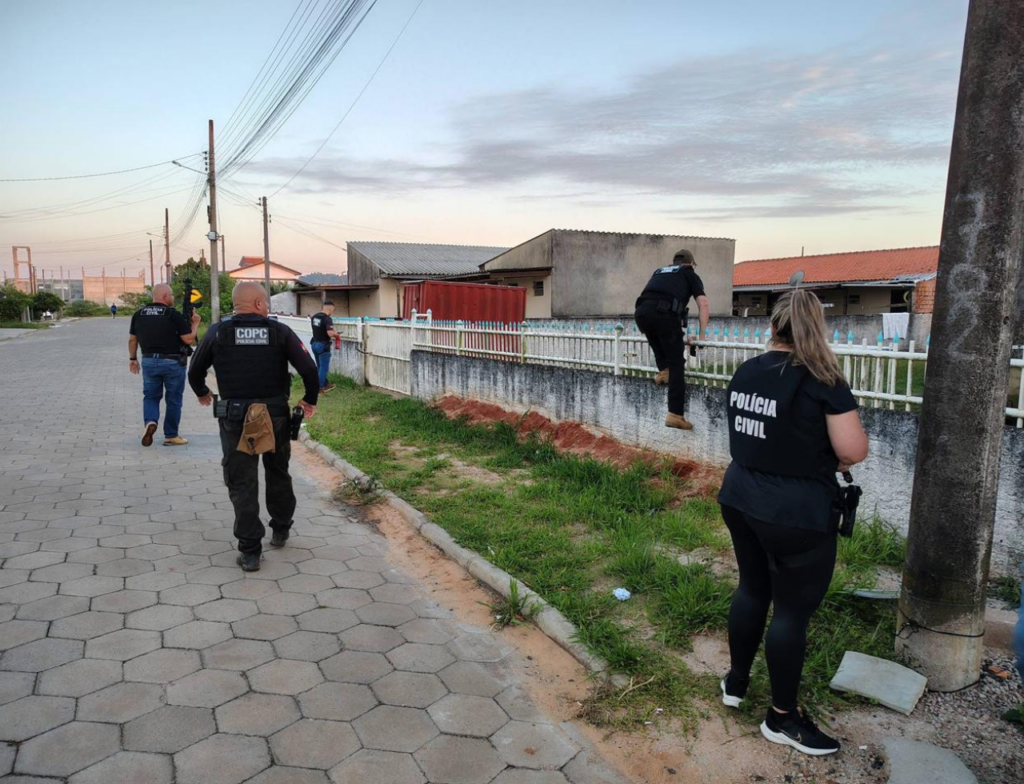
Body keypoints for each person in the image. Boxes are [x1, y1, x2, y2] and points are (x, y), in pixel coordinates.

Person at [717, 289, 868, 756]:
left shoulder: (748, 369)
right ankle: (782, 718)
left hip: (740, 496)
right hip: (796, 513)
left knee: (751, 589)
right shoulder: (824, 378)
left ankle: (736, 682)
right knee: (791, 612)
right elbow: (852, 451)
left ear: (772, 327)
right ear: (819, 328)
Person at [188, 282, 319, 572]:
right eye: (266, 302)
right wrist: (309, 399)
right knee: (278, 472)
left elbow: (195, 368)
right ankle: (281, 528)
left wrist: (202, 392)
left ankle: (250, 552)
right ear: (260, 304)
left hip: (235, 417)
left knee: (242, 482)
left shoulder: (218, 331)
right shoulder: (280, 332)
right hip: (275, 417)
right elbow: (309, 369)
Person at [634, 249, 710, 430]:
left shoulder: (660, 271)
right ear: (691, 263)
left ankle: (664, 370)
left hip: (641, 313)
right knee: (678, 362)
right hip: (664, 315)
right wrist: (701, 336)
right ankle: (675, 414)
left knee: (655, 335)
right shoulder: (689, 273)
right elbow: (703, 304)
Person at [128, 284, 200, 447]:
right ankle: (171, 435)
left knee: (151, 396)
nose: (173, 298)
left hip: (148, 361)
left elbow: (133, 339)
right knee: (174, 399)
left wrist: (133, 358)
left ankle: (151, 421)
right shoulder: (172, 315)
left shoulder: (139, 314)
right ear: (165, 296)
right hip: (172, 362)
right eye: (172, 295)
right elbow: (188, 339)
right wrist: (195, 324)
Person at [309, 301, 339, 394]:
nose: (331, 313)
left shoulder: (314, 317)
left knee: (320, 366)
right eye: (332, 310)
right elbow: (329, 333)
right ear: (329, 309)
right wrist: (335, 333)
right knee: (324, 368)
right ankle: (320, 388)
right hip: (323, 346)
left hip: (314, 344)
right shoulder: (327, 319)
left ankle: (325, 384)